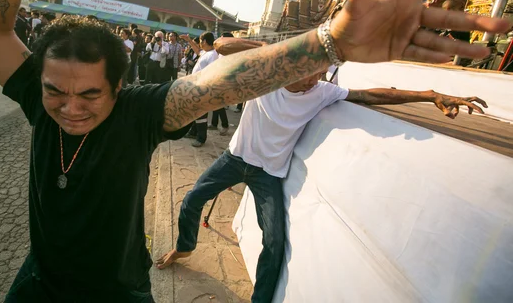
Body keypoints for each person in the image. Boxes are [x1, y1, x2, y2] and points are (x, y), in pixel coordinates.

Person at [0, 0, 506, 300]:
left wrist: (330, 43)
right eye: (56, 91)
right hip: (37, 283)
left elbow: (222, 83)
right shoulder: (38, 95)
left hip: (115, 290)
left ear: (120, 88)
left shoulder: (139, 114)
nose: (70, 107)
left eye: (89, 94)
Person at [156, 43, 488, 302]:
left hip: (268, 173)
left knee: (274, 242)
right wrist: (278, 50)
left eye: (320, 73)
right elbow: (222, 44)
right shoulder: (266, 76)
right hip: (235, 157)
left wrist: (430, 96)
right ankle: (185, 246)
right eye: (308, 71)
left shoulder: (322, 92)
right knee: (192, 198)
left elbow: (374, 95)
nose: (314, 80)